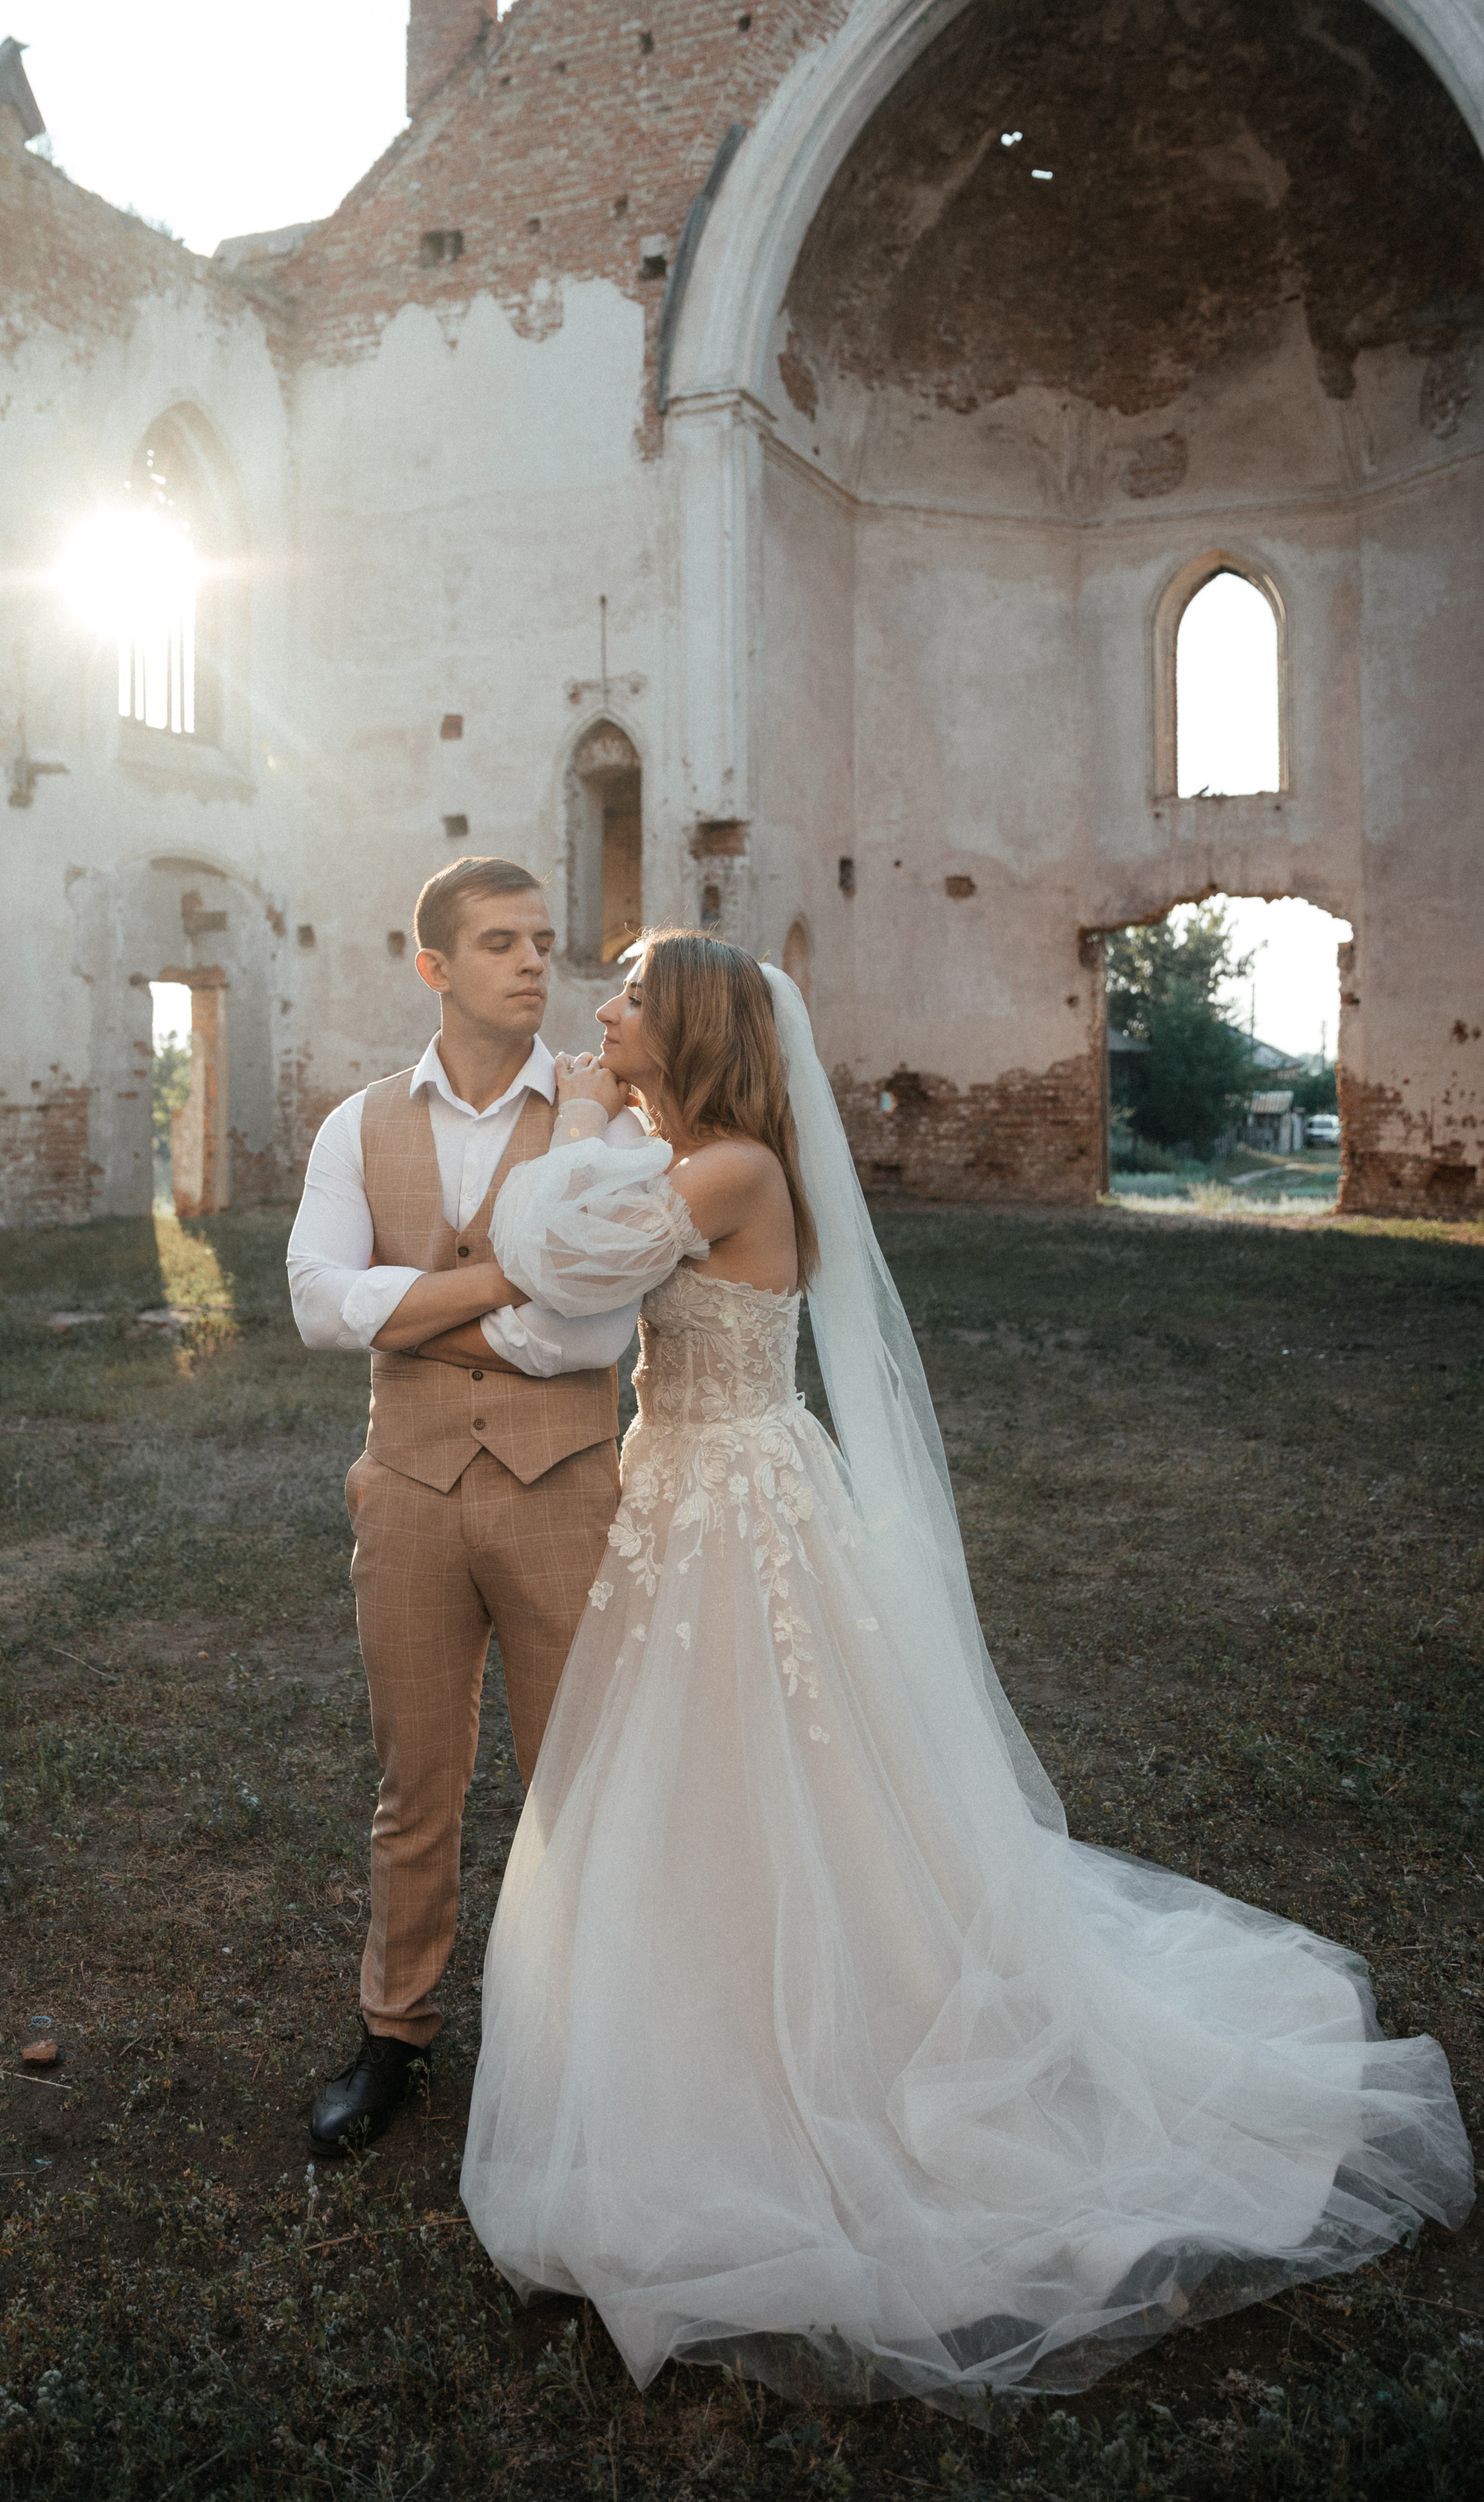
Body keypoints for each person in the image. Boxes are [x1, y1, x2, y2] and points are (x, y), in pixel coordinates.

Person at [460, 930, 1473, 2409]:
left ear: (678, 1025)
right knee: (696, 1783)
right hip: (678, 1486)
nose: (596, 1008)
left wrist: (571, 1120)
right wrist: (611, 1123)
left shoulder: (730, 1166)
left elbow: (548, 1257)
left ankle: (831, 2050)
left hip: (733, 1499)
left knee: (766, 1765)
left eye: (622, 993)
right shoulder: (690, 1151)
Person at [287, 858, 650, 2153]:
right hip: (410, 1495)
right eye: (500, 942)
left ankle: (577, 2042)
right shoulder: (358, 1123)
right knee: (414, 1780)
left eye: (544, 942)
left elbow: (595, 1325)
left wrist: (417, 1310)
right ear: (434, 967)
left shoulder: (610, 1120)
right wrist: (502, 1283)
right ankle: (395, 2032)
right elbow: (318, 1303)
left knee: (577, 1780)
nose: (534, 963)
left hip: (566, 1490)